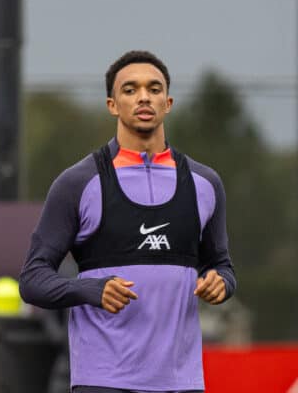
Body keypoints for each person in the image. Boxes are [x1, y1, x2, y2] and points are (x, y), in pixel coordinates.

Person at [19, 50, 236, 393]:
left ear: (168, 102)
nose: (144, 97)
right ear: (112, 104)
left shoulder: (205, 184)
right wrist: (92, 289)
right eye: (130, 90)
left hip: (182, 382)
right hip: (103, 381)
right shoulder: (78, 183)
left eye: (154, 88)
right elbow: (32, 280)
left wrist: (220, 283)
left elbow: (222, 267)